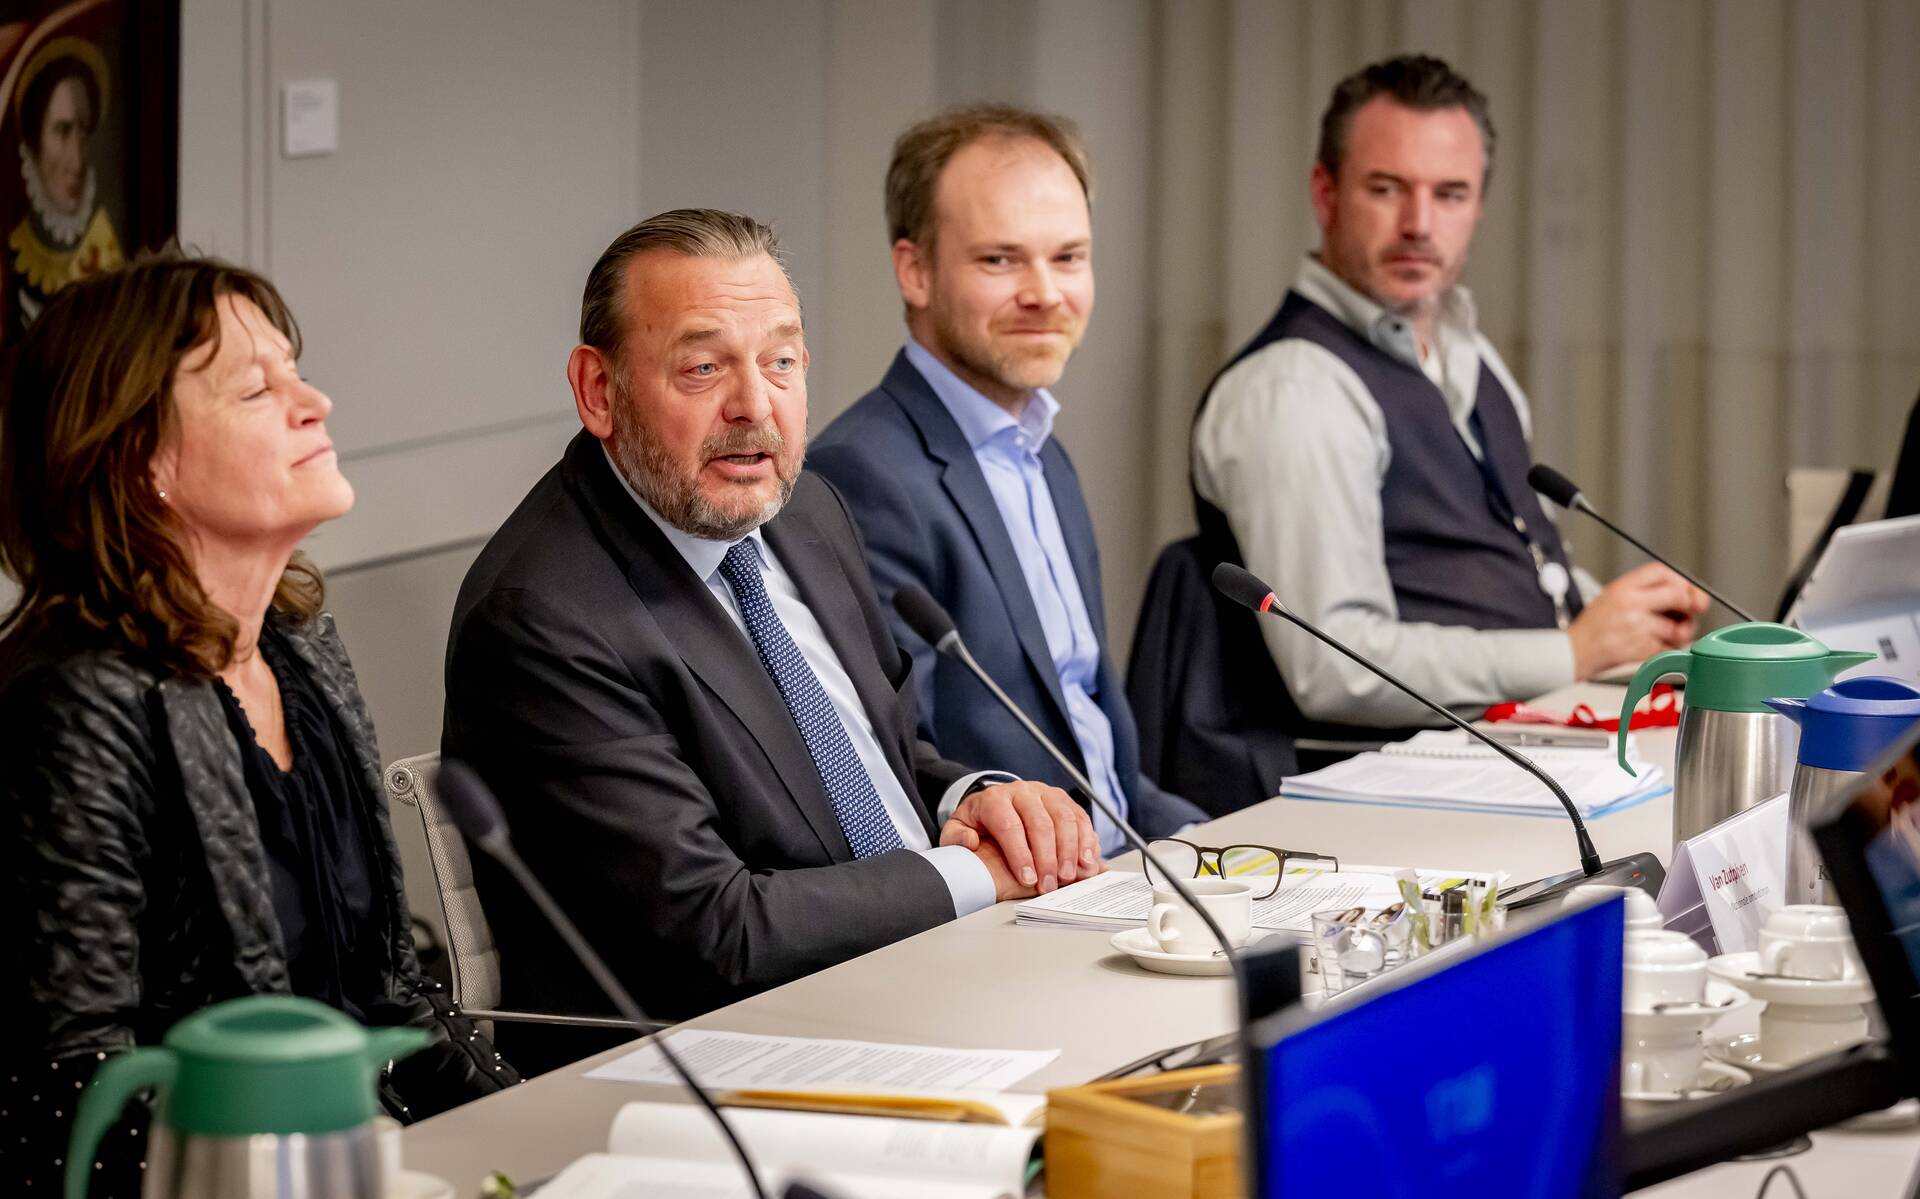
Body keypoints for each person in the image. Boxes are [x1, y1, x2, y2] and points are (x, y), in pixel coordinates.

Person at [442, 209, 1102, 1068]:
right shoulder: (545, 616)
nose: (754, 405)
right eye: (704, 366)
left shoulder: (808, 513)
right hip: (716, 1064)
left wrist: (973, 801)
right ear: (599, 391)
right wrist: (983, 875)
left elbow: (882, 757)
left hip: (922, 977)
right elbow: (717, 929)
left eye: (781, 360)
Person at [0, 255, 516, 1195]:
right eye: (255, 388)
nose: (313, 400)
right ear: (137, 459)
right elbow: (67, 1094)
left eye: (296, 369)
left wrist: (523, 1143)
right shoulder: (71, 706)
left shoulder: (298, 649)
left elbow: (393, 994)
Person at [1190, 54, 1709, 734]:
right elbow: (1332, 666)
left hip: (1523, 737)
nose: (1419, 223)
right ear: (1325, 194)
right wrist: (1574, 649)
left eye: (1451, 194)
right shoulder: (1296, 388)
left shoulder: (1469, 353)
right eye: (1385, 188)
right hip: (1390, 786)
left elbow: (1515, 568)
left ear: (1479, 207)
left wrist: (1631, 624)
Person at [811, 104, 1205, 851]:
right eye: (1001, 259)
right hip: (1020, 898)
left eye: (1068, 257)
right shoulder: (860, 475)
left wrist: (1216, 846)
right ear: (915, 270)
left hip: (1127, 866)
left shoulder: (1043, 454)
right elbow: (904, 771)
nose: (1045, 293)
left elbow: (1103, 763)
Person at [7, 38, 125, 339]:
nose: (77, 158)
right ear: (33, 145)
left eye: (84, 131)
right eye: (62, 131)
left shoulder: (113, 255)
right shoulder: (10, 255)